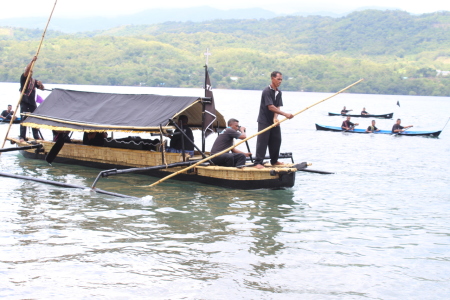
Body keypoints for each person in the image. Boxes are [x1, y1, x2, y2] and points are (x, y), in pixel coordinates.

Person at [254, 71, 294, 169]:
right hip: (264, 120)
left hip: (273, 120)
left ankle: (274, 161)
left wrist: (275, 118)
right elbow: (270, 107)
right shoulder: (267, 91)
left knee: (276, 140)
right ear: (272, 78)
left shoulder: (279, 92)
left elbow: (277, 106)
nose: (280, 81)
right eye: (278, 79)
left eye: (281, 79)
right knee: (262, 141)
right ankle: (258, 162)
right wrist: (285, 114)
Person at [19, 56, 44, 142]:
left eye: (30, 72)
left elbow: (42, 88)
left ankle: (36, 136)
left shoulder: (33, 81)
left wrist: (40, 84)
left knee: (34, 118)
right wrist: (32, 61)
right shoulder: (23, 78)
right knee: (24, 118)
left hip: (32, 102)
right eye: (28, 71)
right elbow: (26, 71)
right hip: (24, 101)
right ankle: (22, 136)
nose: (29, 73)